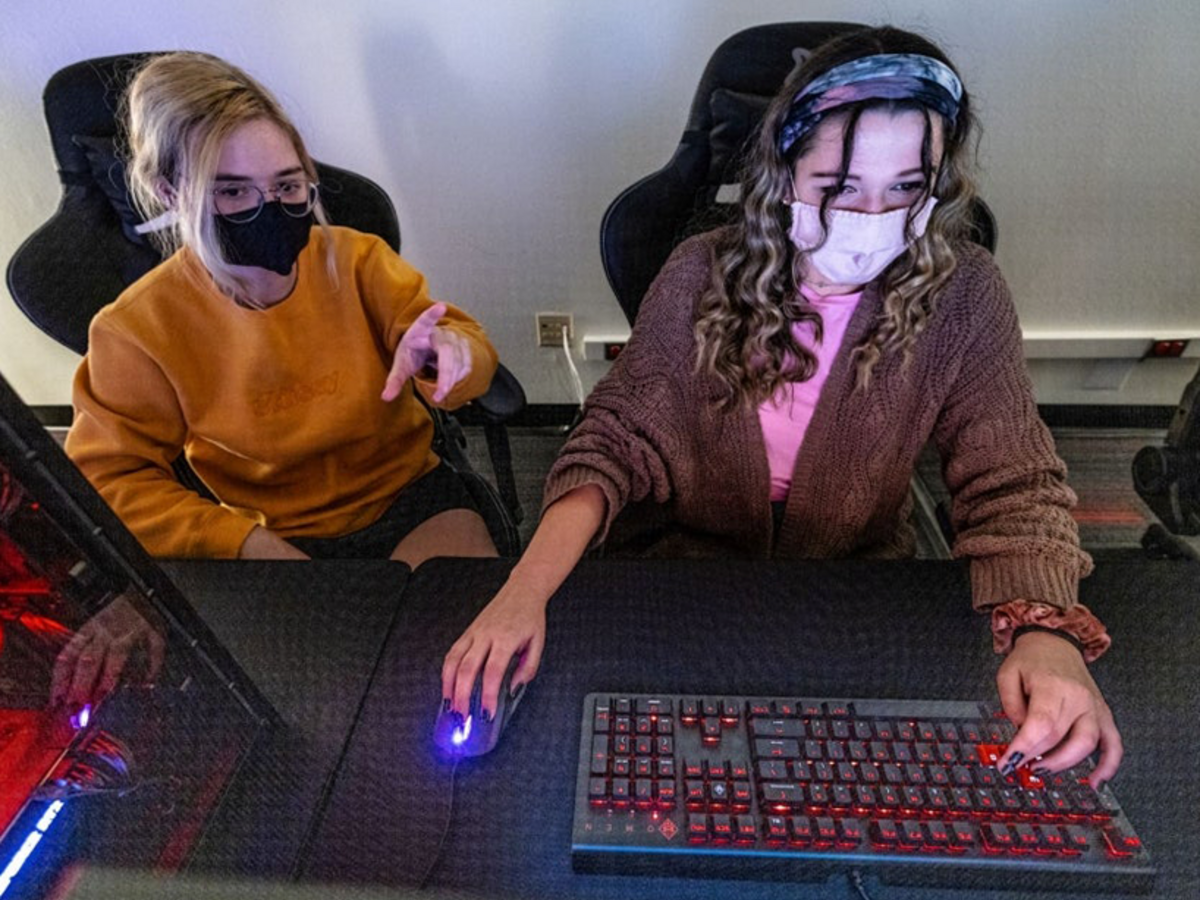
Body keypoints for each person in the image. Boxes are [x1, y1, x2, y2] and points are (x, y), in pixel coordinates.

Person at [443, 26, 1121, 789]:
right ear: (783, 171)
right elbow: (614, 440)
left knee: (853, 792)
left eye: (906, 187)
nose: (874, 216)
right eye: (839, 186)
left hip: (847, 588)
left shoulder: (964, 296)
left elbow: (1015, 480)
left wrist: (1046, 632)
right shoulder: (701, 271)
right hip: (680, 576)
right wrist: (523, 590)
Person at [65, 52, 500, 568]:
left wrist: (447, 354)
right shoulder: (138, 329)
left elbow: (462, 344)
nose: (269, 208)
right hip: (272, 530)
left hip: (408, 498)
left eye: (287, 185)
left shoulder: (359, 262)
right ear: (170, 193)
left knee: (464, 635)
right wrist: (236, 540)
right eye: (231, 191)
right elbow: (107, 478)